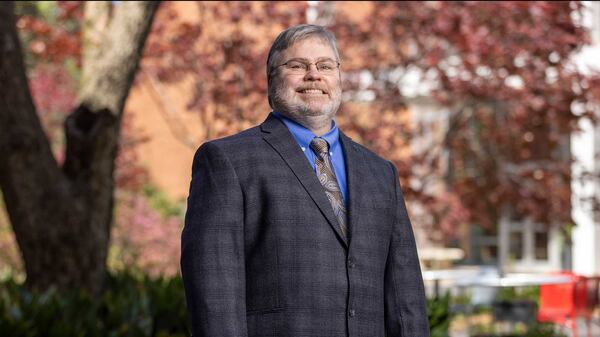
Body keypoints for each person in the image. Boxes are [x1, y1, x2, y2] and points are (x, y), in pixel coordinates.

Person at [181, 24, 430, 337]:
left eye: (325, 66)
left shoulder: (381, 173)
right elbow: (214, 289)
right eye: (297, 65)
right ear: (272, 79)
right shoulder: (227, 161)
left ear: (339, 78)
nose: (314, 75)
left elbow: (405, 295)